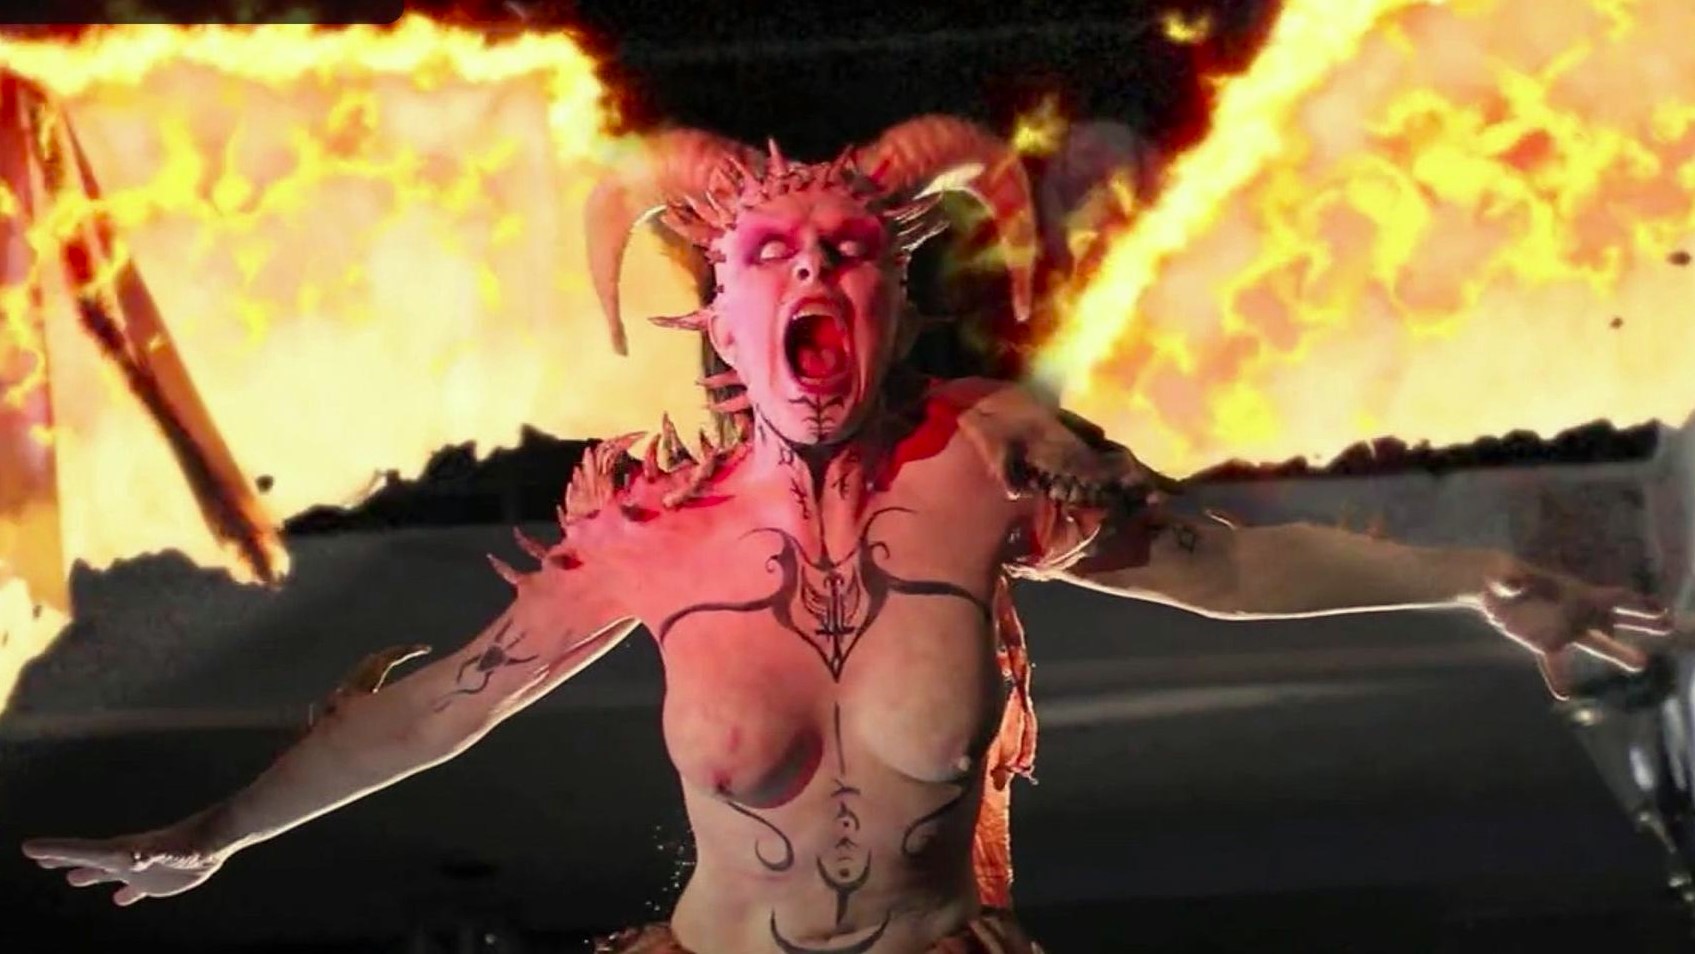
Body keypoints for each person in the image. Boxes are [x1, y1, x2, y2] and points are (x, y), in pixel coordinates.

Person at [21, 116, 1675, 954]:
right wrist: (221, 828)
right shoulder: (653, 527)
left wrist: (1481, 579)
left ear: (893, 298)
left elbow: (1230, 568)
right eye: (771, 260)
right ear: (721, 320)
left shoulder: (991, 462)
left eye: (848, 255)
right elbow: (446, 702)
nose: (812, 272)